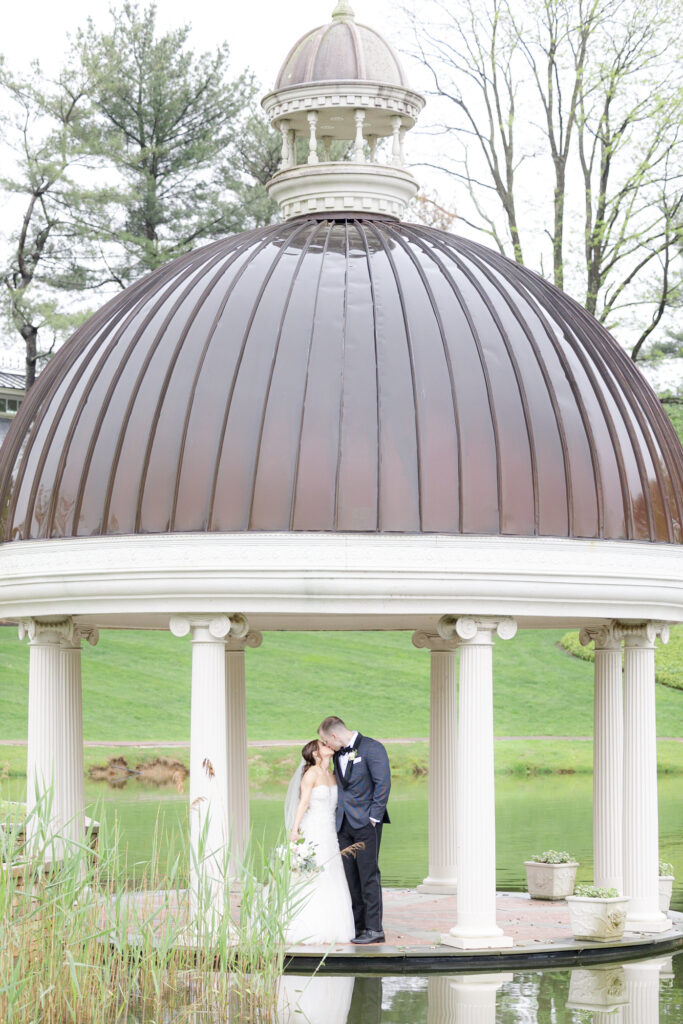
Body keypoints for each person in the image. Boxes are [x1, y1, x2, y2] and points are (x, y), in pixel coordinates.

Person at [318, 716, 391, 945]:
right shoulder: (338, 754)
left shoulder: (372, 748)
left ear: (333, 736)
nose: (325, 745)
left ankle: (374, 929)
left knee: (368, 875)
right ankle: (358, 926)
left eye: (324, 740)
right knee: (350, 876)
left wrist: (373, 818)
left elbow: (383, 784)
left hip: (366, 824)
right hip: (344, 826)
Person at [284, 738, 355, 945]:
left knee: (332, 872)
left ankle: (333, 924)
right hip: (314, 827)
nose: (328, 746)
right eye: (323, 745)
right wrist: (294, 829)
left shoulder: (332, 775)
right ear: (316, 753)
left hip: (330, 830)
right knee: (313, 874)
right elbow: (304, 802)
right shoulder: (311, 774)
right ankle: (307, 926)